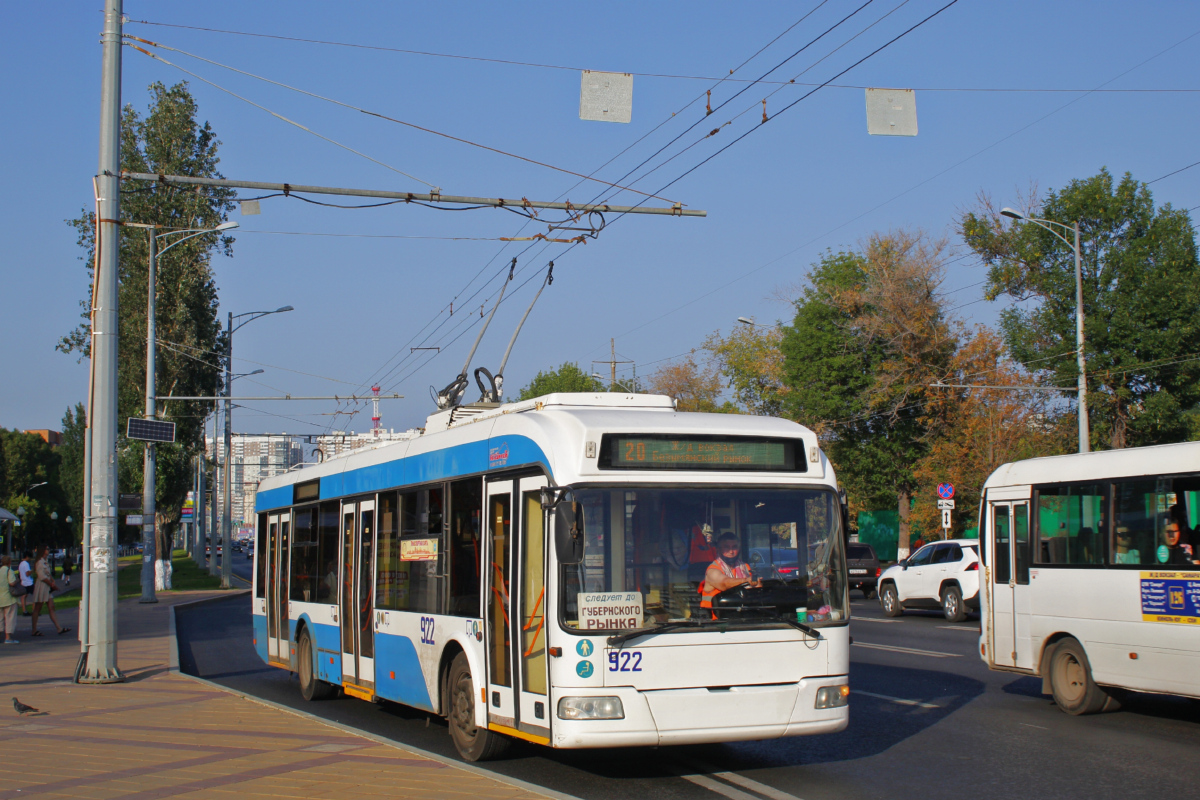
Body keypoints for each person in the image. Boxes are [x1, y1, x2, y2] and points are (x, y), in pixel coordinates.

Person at [700, 533, 762, 613]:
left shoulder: (745, 567)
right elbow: (724, 583)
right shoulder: (712, 570)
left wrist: (757, 584)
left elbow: (754, 588)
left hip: (741, 616)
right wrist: (747, 580)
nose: (731, 551)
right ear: (718, 549)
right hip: (714, 620)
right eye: (726, 547)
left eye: (734, 547)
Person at [29, 545, 69, 637]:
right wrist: (51, 584)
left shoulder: (45, 561)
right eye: (47, 549)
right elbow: (41, 576)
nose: (48, 550)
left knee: (51, 607)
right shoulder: (39, 562)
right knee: (37, 608)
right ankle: (34, 630)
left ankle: (59, 628)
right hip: (42, 587)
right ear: (42, 550)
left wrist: (52, 580)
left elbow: (48, 574)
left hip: (47, 588)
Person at [0, 555, 19, 644]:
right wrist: (17, 581)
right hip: (8, 598)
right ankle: (8, 638)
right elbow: (11, 583)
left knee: (0, 618)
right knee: (10, 617)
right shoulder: (9, 571)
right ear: (9, 562)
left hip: (0, 598)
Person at [17, 551, 34, 616]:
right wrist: (32, 571)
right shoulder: (26, 564)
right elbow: (27, 573)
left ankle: (24, 611)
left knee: (24, 596)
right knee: (36, 595)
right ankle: (34, 610)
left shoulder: (21, 564)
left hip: (23, 582)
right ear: (27, 556)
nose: (30, 559)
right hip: (29, 582)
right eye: (30, 557)